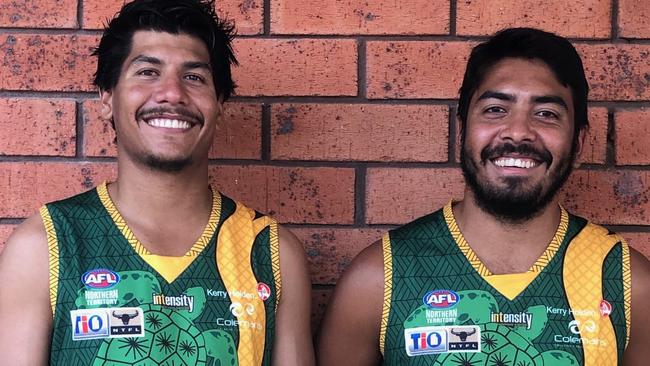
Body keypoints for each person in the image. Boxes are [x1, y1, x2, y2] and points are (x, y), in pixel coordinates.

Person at [0, 1, 314, 365]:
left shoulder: (272, 252)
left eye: (194, 77)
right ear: (107, 98)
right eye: (148, 72)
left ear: (219, 104)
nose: (172, 93)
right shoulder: (45, 245)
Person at [317, 28, 650, 365]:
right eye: (495, 109)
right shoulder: (379, 277)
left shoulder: (628, 283)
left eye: (546, 113)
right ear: (462, 131)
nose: (518, 131)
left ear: (578, 144)